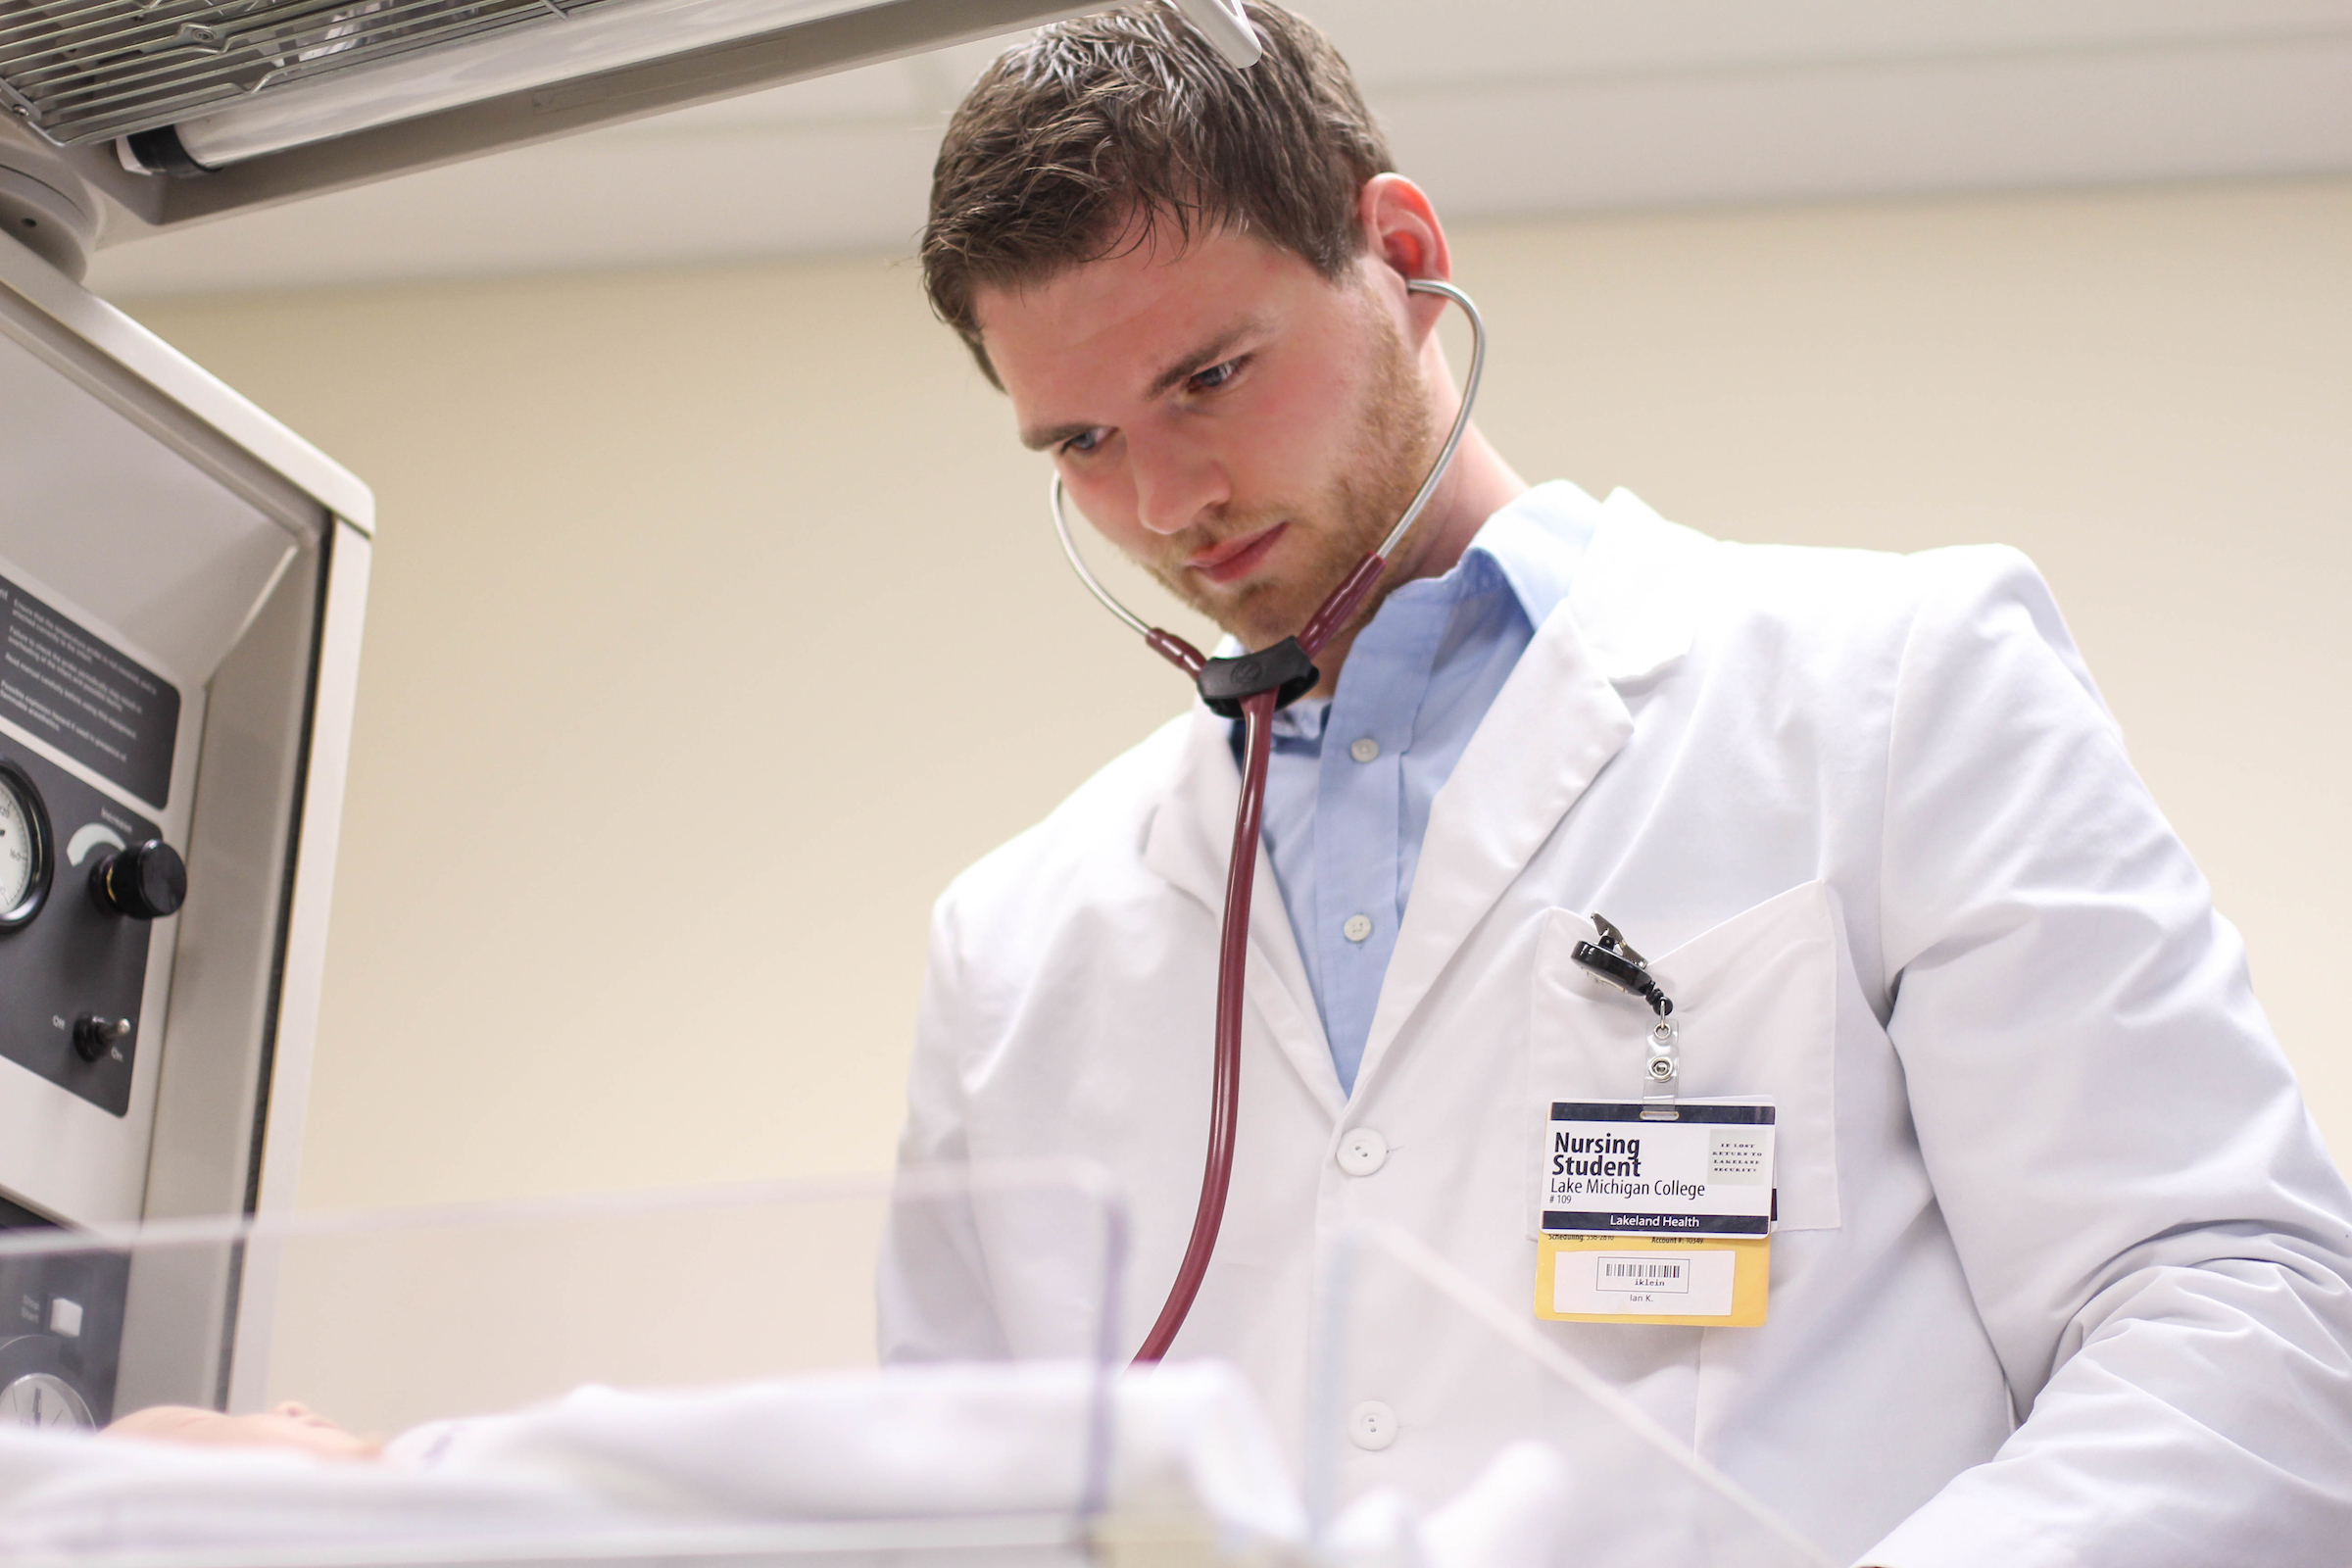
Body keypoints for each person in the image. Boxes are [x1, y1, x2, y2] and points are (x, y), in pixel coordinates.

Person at [879, 4, 2352, 1565]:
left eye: (1214, 376)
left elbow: (2242, 1325)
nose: (1166, 502)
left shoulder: (1892, 685)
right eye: (1084, 442)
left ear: (1401, 249)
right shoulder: (1012, 948)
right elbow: (956, 1505)